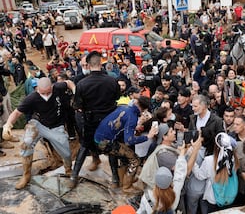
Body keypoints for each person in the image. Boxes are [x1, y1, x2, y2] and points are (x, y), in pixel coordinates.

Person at [2, 77, 75, 189]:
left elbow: (69, 83)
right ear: (37, 89)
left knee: (66, 152)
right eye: (42, 93)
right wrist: (8, 125)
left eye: (48, 92)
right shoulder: (32, 98)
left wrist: (75, 91)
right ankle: (26, 175)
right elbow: (16, 113)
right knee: (26, 143)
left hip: (56, 126)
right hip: (38, 123)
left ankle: (69, 170)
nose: (45, 95)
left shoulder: (58, 87)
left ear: (52, 87)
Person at [70, 51, 120, 188]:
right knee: (111, 149)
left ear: (88, 65)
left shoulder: (82, 83)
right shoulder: (112, 81)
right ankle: (115, 179)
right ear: (100, 63)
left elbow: (78, 105)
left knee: (85, 146)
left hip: (90, 120)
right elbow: (117, 97)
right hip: (109, 120)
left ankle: (73, 177)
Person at [94, 96, 154, 192]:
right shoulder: (133, 117)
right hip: (106, 143)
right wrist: (148, 136)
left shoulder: (124, 107)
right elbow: (129, 140)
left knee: (125, 156)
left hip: (99, 137)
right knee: (135, 160)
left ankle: (123, 180)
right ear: (145, 109)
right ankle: (127, 186)